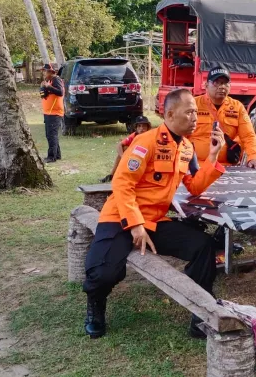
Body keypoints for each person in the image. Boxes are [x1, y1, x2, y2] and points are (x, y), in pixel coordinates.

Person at [83, 89, 226, 340]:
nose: (195, 118)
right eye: (189, 112)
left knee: (203, 247)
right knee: (103, 273)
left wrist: (213, 156)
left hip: (155, 221)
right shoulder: (145, 142)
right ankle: (96, 305)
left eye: (196, 112)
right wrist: (135, 224)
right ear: (170, 114)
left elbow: (194, 186)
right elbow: (122, 183)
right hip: (120, 217)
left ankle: (201, 314)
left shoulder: (187, 148)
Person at [189, 67, 256, 168]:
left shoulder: (237, 107)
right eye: (216, 83)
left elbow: (248, 135)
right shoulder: (192, 104)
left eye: (225, 83)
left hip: (227, 167)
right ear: (206, 85)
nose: (222, 87)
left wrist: (254, 156)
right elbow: (180, 135)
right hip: (196, 165)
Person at [99, 115, 152, 183]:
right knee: (124, 149)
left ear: (148, 127)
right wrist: (123, 157)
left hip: (148, 158)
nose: (141, 128)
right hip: (136, 158)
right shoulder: (134, 135)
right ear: (136, 128)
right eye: (139, 126)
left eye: (144, 126)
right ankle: (111, 175)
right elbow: (119, 145)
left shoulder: (151, 136)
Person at [40, 63, 64, 163]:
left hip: (54, 113)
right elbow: (44, 96)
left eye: (45, 71)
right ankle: (57, 155)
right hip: (48, 112)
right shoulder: (49, 81)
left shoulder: (56, 79)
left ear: (51, 71)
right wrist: (43, 88)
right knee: (51, 135)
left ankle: (51, 157)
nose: (43, 73)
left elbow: (60, 92)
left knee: (51, 135)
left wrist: (48, 87)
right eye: (43, 71)